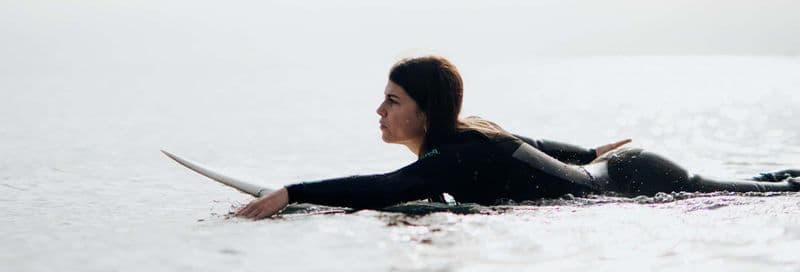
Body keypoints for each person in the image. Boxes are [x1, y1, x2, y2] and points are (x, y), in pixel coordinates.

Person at [237, 56, 800, 220]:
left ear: (424, 110)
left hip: (635, 182)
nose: (379, 110)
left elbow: (385, 188)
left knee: (765, 195)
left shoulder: (455, 155)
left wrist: (294, 192)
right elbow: (531, 145)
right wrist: (586, 153)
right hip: (620, 169)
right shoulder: (459, 139)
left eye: (393, 100)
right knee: (764, 185)